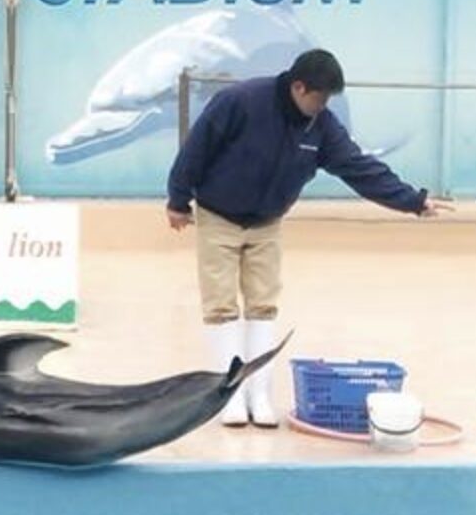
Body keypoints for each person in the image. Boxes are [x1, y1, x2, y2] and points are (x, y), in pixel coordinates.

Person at [166, 49, 452, 428]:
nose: (323, 105)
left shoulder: (321, 126)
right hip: (218, 216)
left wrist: (413, 201)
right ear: (299, 87)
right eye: (319, 97)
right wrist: (178, 199)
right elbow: (196, 148)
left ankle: (260, 395)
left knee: (262, 305)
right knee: (221, 306)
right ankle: (229, 396)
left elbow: (359, 167)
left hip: (267, 222)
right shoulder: (241, 102)